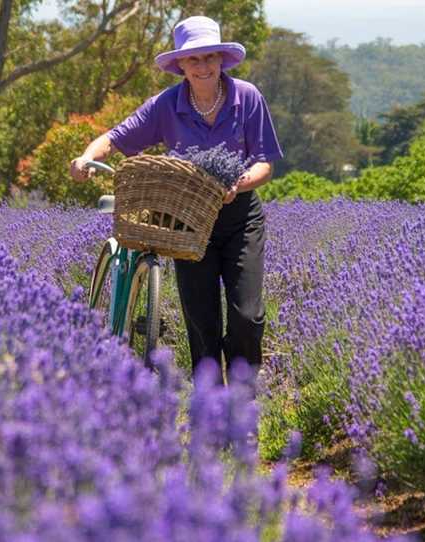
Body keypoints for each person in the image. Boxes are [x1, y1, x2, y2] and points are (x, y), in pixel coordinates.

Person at [70, 15, 282, 384]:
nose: (203, 67)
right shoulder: (166, 105)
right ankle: (210, 411)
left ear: (221, 59)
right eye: (194, 59)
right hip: (187, 226)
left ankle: (243, 399)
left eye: (209, 57)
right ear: (181, 65)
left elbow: (265, 164)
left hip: (239, 219)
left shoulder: (246, 98)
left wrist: (239, 182)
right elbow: (116, 137)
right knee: (202, 323)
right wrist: (86, 157)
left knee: (247, 316)